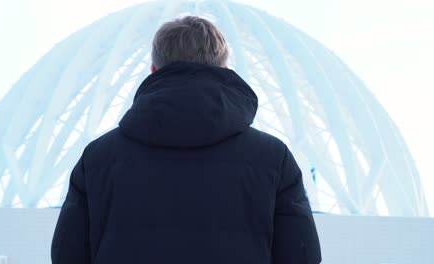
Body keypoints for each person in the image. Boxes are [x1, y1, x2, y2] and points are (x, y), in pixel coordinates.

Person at [51, 15, 321, 264]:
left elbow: (67, 255)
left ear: (154, 69)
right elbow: (302, 255)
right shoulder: (273, 159)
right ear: (224, 67)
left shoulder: (98, 159)